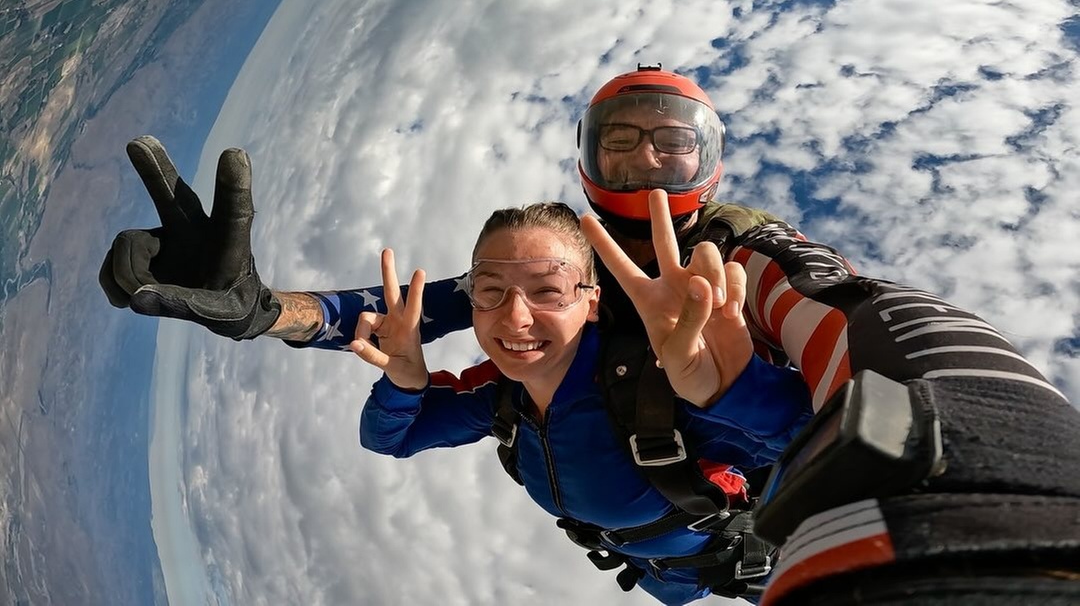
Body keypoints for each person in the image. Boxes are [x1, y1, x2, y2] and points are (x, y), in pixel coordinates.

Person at [100, 65, 1079, 602]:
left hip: (742, 536)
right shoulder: (547, 282)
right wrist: (271, 311)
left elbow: (850, 326)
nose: (647, 156)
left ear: (707, 159)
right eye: (623, 140)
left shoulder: (734, 262)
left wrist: (998, 497)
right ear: (588, 160)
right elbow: (392, 313)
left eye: (671, 141)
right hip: (654, 557)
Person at [351, 201, 812, 605]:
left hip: (772, 567)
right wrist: (405, 380)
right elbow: (389, 438)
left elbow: (827, 445)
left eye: (547, 290)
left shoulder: (658, 388)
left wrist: (732, 391)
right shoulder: (500, 398)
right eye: (491, 291)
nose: (515, 317)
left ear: (591, 302)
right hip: (669, 578)